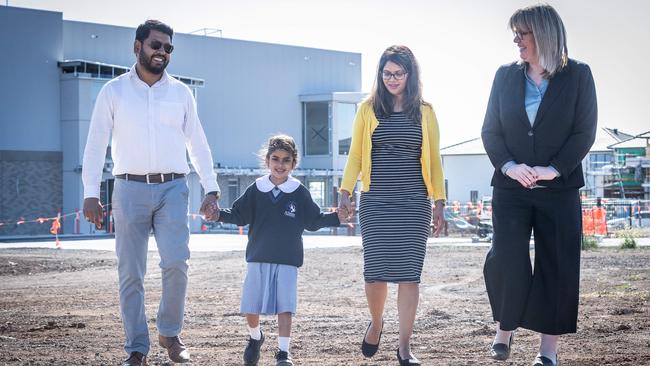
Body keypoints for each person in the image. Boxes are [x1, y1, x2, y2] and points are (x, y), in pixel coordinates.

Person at [82, 20, 221, 366]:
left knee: (177, 262)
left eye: (168, 47)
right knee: (131, 272)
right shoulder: (113, 91)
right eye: (156, 45)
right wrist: (89, 192)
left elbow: (198, 144)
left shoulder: (180, 93)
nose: (162, 52)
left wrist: (211, 187)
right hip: (128, 188)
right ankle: (137, 347)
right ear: (137, 47)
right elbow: (96, 143)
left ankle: (170, 334)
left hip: (173, 188)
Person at [481, 4, 597, 366]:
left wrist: (554, 169)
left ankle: (547, 352)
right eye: (514, 33)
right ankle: (506, 329)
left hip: (559, 190)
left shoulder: (578, 75)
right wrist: (510, 166)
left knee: (557, 266)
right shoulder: (504, 76)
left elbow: (584, 132)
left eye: (523, 33)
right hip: (511, 188)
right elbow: (490, 131)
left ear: (544, 33)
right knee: (506, 258)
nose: (516, 40)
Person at [338, 45, 446, 366]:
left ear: (410, 75)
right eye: (387, 73)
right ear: (380, 75)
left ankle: (404, 346)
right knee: (375, 274)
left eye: (398, 73)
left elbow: (435, 162)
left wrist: (439, 202)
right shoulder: (368, 109)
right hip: (375, 202)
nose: (392, 79)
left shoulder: (425, 112)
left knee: (409, 276)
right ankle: (376, 321)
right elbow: (356, 154)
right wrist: (345, 191)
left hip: (414, 203)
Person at [214, 135, 343, 366]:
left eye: (286, 160)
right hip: (257, 257)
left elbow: (313, 221)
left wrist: (337, 218)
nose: (280, 164)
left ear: (293, 164)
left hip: (288, 259)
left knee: (285, 307)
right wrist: (217, 214)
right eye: (275, 159)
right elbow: (238, 215)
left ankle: (283, 353)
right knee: (251, 308)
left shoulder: (299, 191)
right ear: (267, 160)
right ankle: (256, 337)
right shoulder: (256, 189)